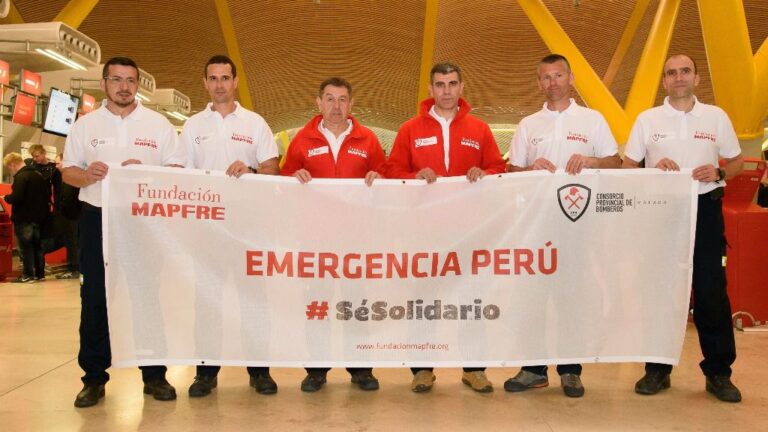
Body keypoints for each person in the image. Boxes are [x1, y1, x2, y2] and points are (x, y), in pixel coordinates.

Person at [62, 57, 186, 408]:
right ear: (104, 84)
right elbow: (68, 169)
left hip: (143, 220)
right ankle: (94, 378)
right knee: (95, 300)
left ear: (138, 85)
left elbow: (176, 167)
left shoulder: (158, 124)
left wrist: (146, 171)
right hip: (97, 217)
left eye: (130, 80)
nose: (123, 86)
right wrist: (87, 176)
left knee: (147, 297)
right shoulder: (85, 126)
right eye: (116, 79)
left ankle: (154, 375)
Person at [623, 54, 743, 403]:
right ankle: (657, 369)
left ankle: (719, 373)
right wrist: (650, 167)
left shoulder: (716, 117)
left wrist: (720, 172)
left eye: (684, 71)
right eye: (671, 73)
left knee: (710, 293)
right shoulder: (647, 120)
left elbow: (735, 160)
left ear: (697, 78)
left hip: (705, 210)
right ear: (664, 81)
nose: (678, 77)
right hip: (660, 212)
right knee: (659, 293)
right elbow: (627, 165)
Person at [504, 54, 621, 398]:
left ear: (570, 78)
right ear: (538, 82)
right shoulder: (528, 125)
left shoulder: (593, 120)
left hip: (579, 223)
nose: (552, 82)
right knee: (534, 297)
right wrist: (528, 171)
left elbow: (616, 162)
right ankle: (533, 369)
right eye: (545, 77)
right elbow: (511, 174)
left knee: (573, 297)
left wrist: (593, 160)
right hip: (538, 223)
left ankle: (571, 370)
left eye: (558, 75)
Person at [386, 62, 506, 393]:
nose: (447, 90)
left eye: (452, 83)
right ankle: (422, 369)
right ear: (430, 90)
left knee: (472, 299)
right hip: (424, 230)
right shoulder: (410, 129)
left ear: (462, 87)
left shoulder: (480, 129)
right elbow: (392, 169)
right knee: (424, 300)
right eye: (440, 84)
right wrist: (414, 177)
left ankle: (474, 368)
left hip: (470, 229)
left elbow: (498, 167)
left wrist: (484, 172)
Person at [180, 55, 280, 398]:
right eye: (213, 78)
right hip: (207, 228)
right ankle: (205, 373)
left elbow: (272, 168)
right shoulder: (192, 126)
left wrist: (252, 173)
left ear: (235, 81)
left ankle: (260, 371)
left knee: (254, 300)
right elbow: (181, 174)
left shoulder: (255, 123)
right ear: (205, 83)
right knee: (207, 301)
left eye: (225, 77)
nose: (220, 84)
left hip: (249, 227)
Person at [281, 77, 386, 392]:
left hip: (357, 239)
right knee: (318, 305)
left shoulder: (368, 139)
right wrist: (293, 176)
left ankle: (361, 369)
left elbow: (387, 176)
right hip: (317, 239)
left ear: (351, 104)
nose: (336, 106)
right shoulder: (302, 139)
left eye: (342, 99)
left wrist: (378, 176)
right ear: (318, 103)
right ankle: (316, 369)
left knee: (356, 305)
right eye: (330, 99)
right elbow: (284, 180)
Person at [2, 152, 49, 283]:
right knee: (38, 247)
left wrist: (5, 198)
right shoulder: (37, 175)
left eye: (9, 167)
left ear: (12, 164)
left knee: (25, 247)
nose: (10, 170)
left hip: (24, 218)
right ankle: (40, 274)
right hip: (39, 218)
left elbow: (16, 197)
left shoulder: (21, 177)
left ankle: (28, 274)